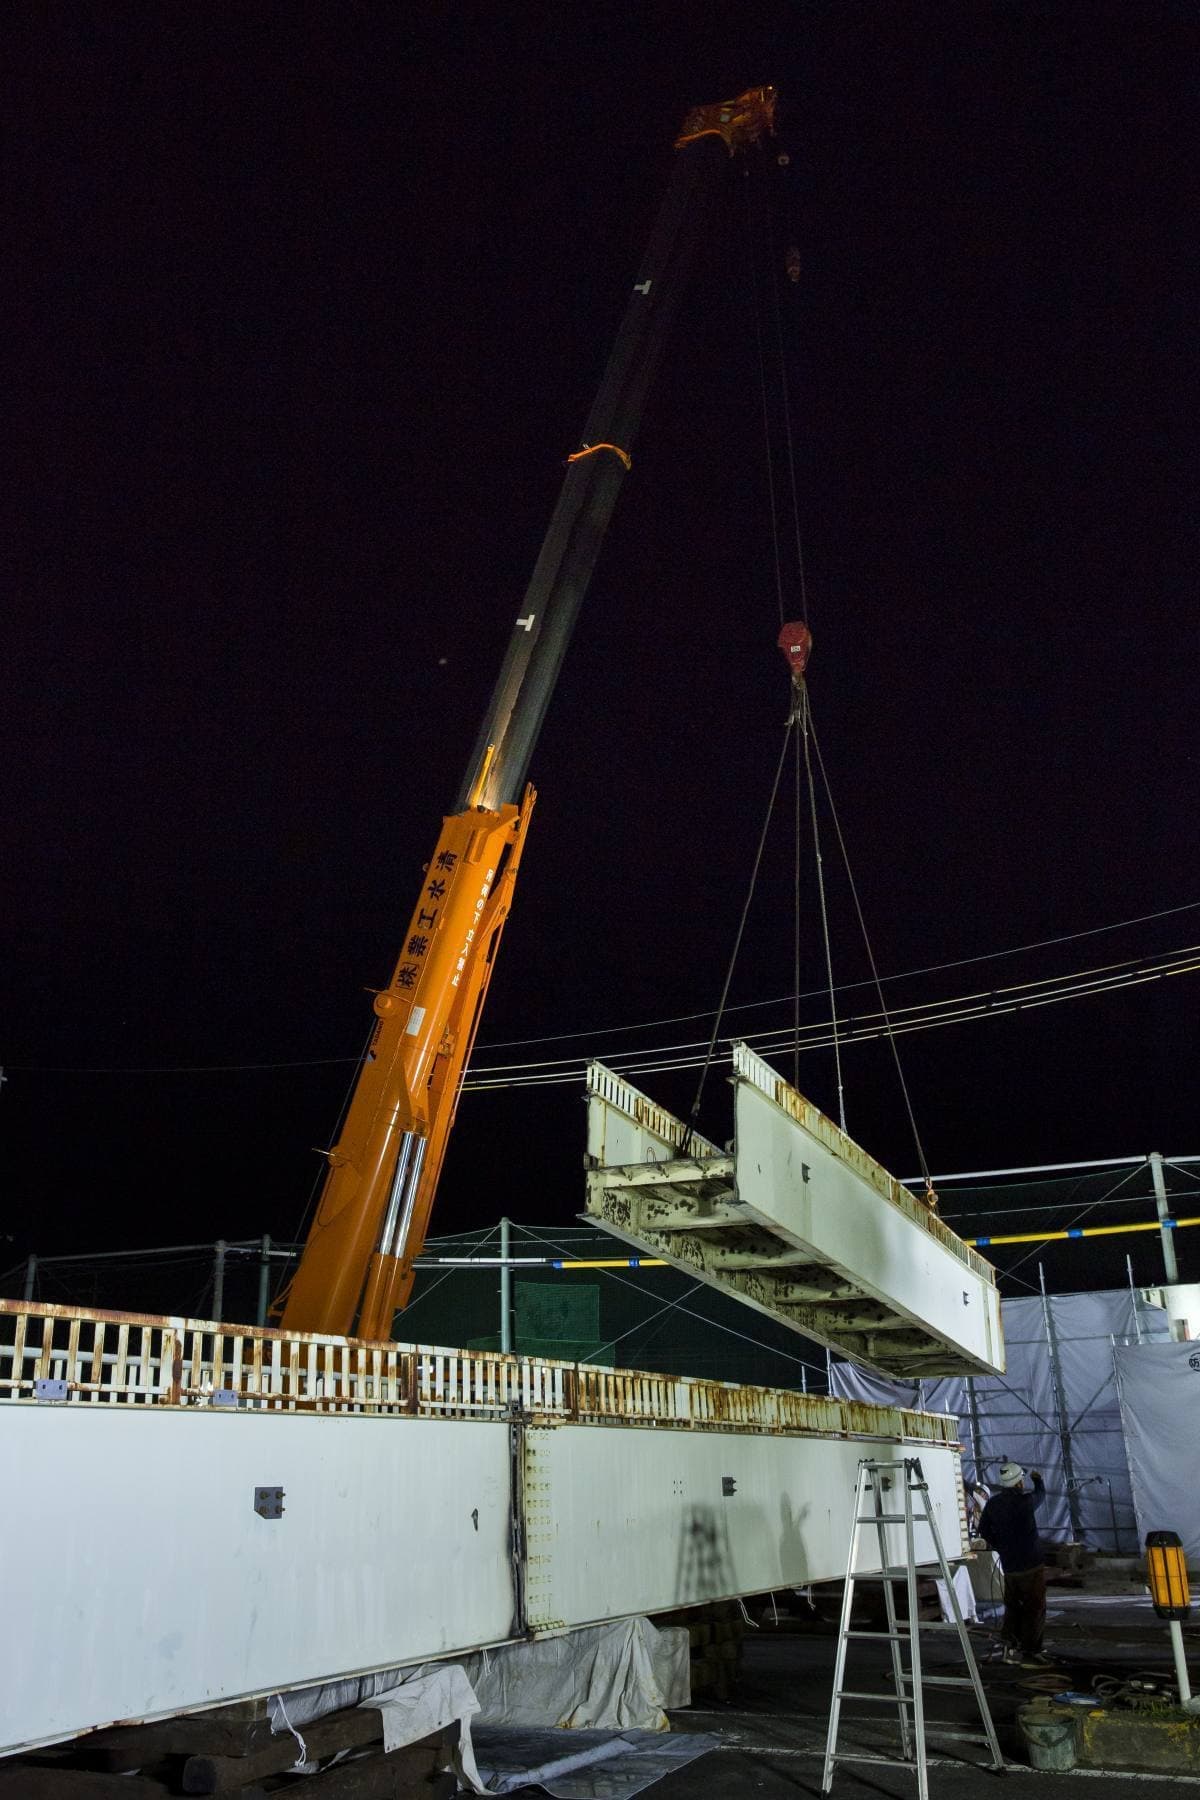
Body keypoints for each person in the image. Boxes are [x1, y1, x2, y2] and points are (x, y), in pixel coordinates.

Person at [978, 1462, 1049, 1665]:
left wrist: (1000, 1545)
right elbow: (1041, 1495)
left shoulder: (993, 1504)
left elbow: (984, 1530)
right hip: (1031, 1564)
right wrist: (1038, 1480)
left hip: (1009, 1566)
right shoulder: (1026, 1501)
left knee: (1013, 1606)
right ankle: (1031, 1650)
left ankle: (1009, 1642)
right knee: (1034, 1607)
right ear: (1019, 1482)